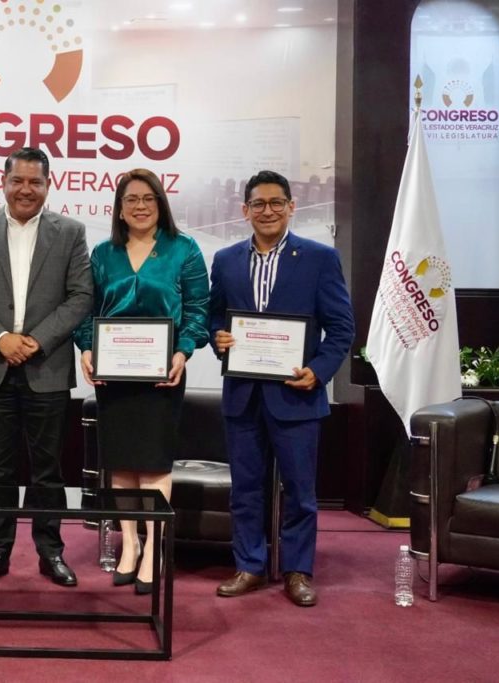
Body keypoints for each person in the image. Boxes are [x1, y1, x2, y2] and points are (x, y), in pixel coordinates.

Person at [208, 170, 354, 607]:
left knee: (300, 493)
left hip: (297, 395)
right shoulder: (226, 260)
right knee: (245, 489)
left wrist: (319, 371)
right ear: (245, 210)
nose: (267, 211)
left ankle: (297, 571)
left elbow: (342, 328)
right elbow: (216, 317)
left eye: (276, 203)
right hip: (243, 397)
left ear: (292, 207)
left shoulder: (319, 258)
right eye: (258, 204)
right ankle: (250, 565)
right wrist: (219, 339)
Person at [0, 147, 93, 587]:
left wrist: (36, 340)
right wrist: (1, 338)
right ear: (4, 182)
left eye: (36, 182)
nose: (26, 189)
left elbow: (81, 295)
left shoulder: (71, 232)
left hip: (46, 365)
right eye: (18, 180)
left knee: (48, 468)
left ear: (49, 185)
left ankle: (51, 552)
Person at [74, 168, 209, 595]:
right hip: (113, 377)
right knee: (121, 466)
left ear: (160, 204)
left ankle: (154, 548)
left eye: (148, 198)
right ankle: (129, 544)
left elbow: (199, 310)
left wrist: (182, 351)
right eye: (131, 199)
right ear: (119, 208)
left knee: (154, 465)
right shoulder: (103, 253)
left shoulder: (184, 249)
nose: (140, 206)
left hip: (161, 376)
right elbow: (86, 309)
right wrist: (86, 348)